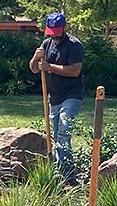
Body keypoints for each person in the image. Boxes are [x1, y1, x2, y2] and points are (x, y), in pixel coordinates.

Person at [29, 12, 85, 185]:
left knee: (64, 130)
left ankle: (68, 175)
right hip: (54, 97)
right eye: (51, 32)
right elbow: (34, 69)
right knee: (56, 134)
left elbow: (74, 71)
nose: (54, 35)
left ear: (64, 28)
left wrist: (49, 66)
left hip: (72, 95)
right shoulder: (46, 44)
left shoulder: (75, 45)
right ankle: (60, 172)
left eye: (56, 31)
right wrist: (36, 58)